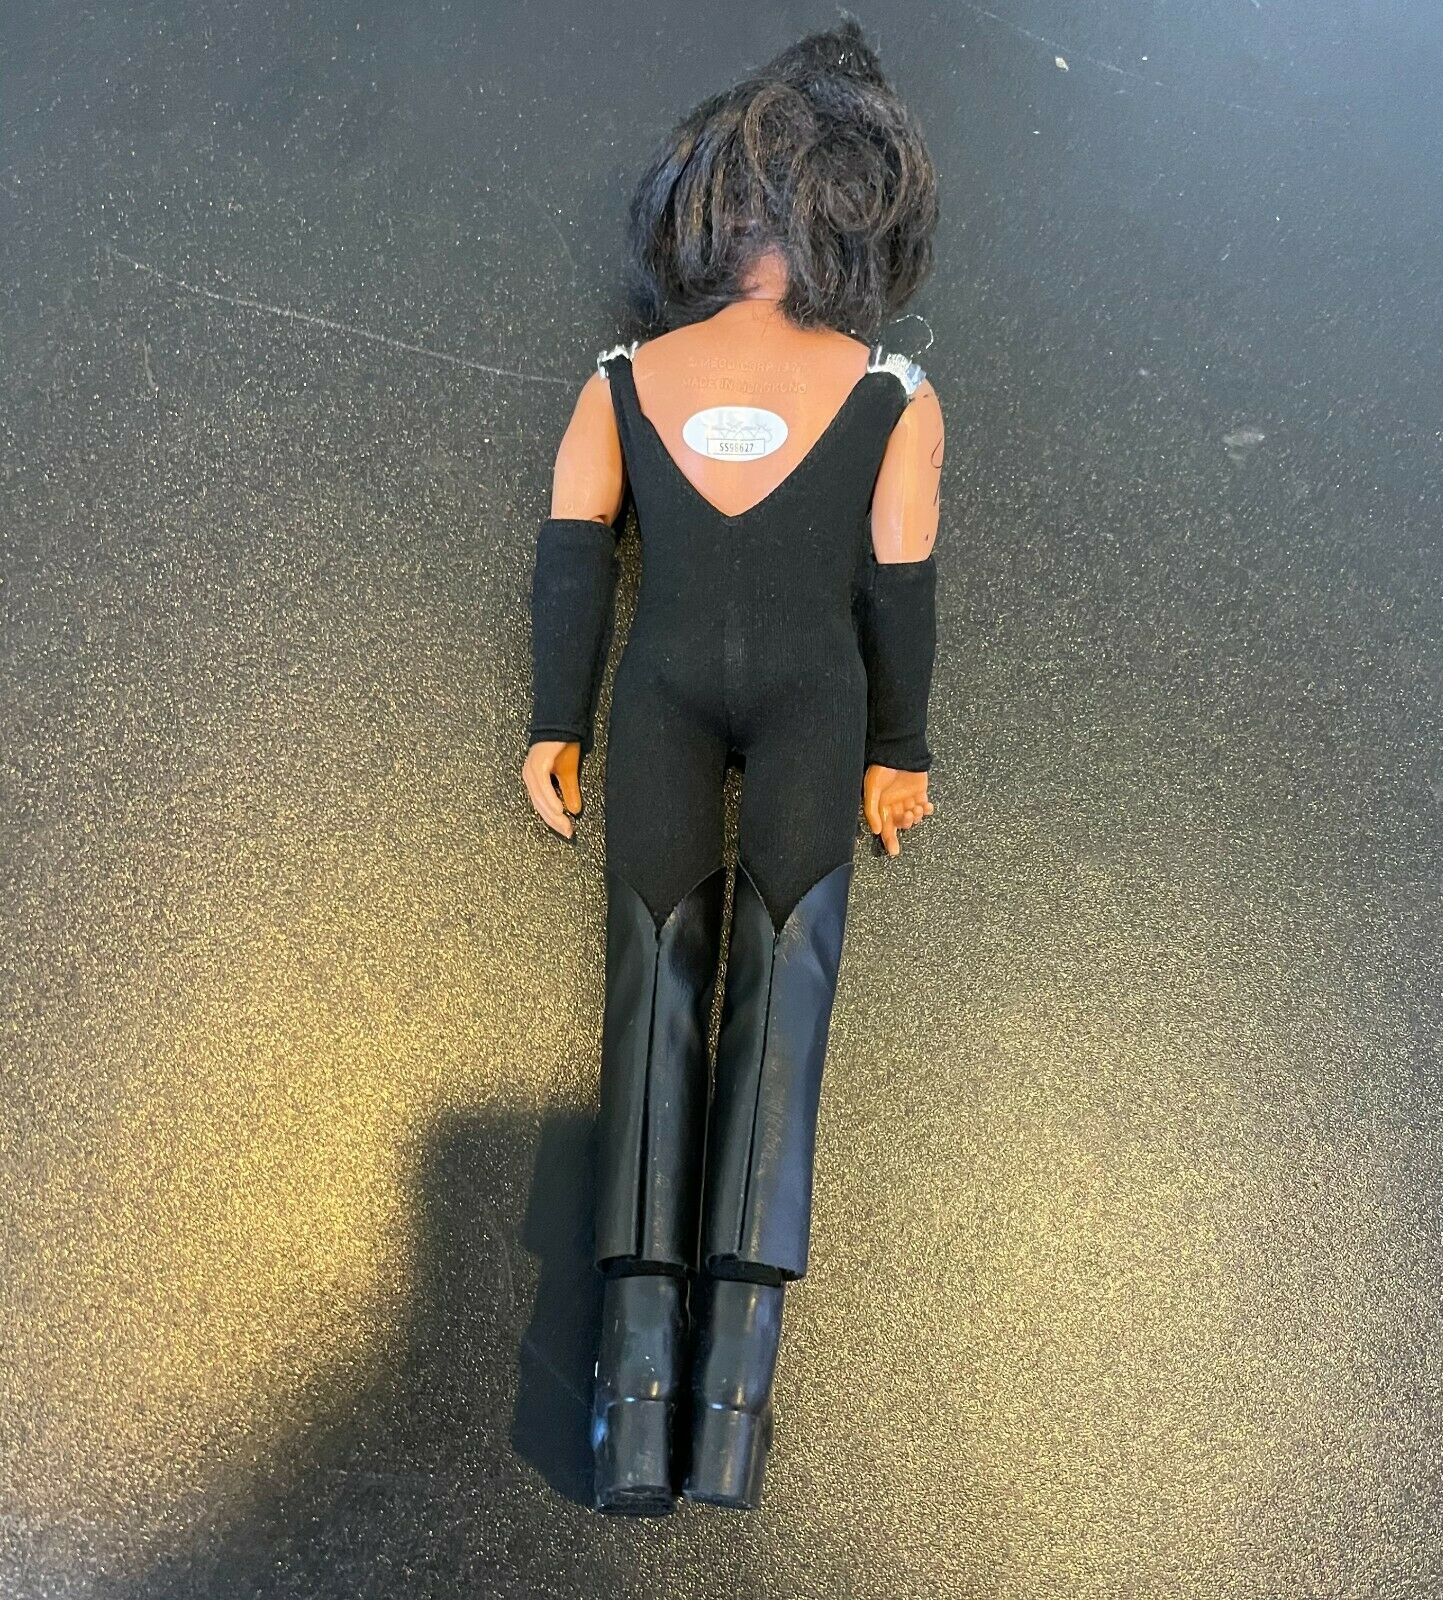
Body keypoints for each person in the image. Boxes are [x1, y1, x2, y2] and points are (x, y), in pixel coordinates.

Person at [521, 17, 944, 1514]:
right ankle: (693, 1420)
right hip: (799, 711)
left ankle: (658, 1418)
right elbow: (900, 587)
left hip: (681, 704)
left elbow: (577, 552)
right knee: (770, 1006)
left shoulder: (632, 381)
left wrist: (557, 721)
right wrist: (895, 746)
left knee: (673, 993)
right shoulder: (889, 395)